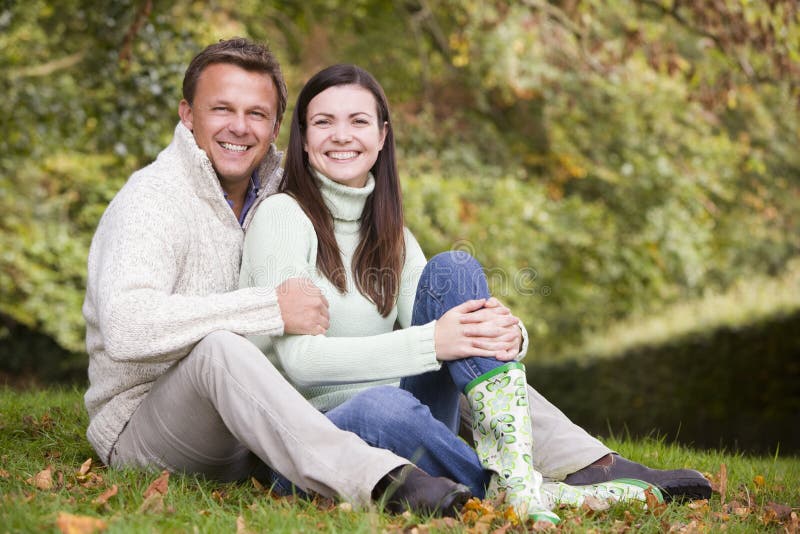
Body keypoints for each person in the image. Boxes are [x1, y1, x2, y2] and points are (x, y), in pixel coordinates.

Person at [240, 64, 712, 523]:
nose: (342, 135)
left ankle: (526, 479)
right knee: (382, 405)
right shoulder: (283, 216)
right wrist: (433, 343)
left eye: (358, 121)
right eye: (324, 122)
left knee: (455, 269)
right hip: (315, 446)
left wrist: (512, 334)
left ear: (382, 137)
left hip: (411, 432)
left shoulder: (390, 232)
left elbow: (454, 327)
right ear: (302, 140)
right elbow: (300, 361)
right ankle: (534, 487)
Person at [82, 38, 473, 517]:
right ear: (187, 115)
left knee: (458, 329)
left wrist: (495, 336)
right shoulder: (152, 200)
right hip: (148, 428)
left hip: (252, 431)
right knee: (222, 348)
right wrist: (269, 307)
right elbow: (126, 326)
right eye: (221, 108)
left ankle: (568, 464)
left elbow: (343, 162)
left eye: (257, 114)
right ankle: (378, 478)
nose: (239, 127)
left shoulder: (276, 187)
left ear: (276, 128)